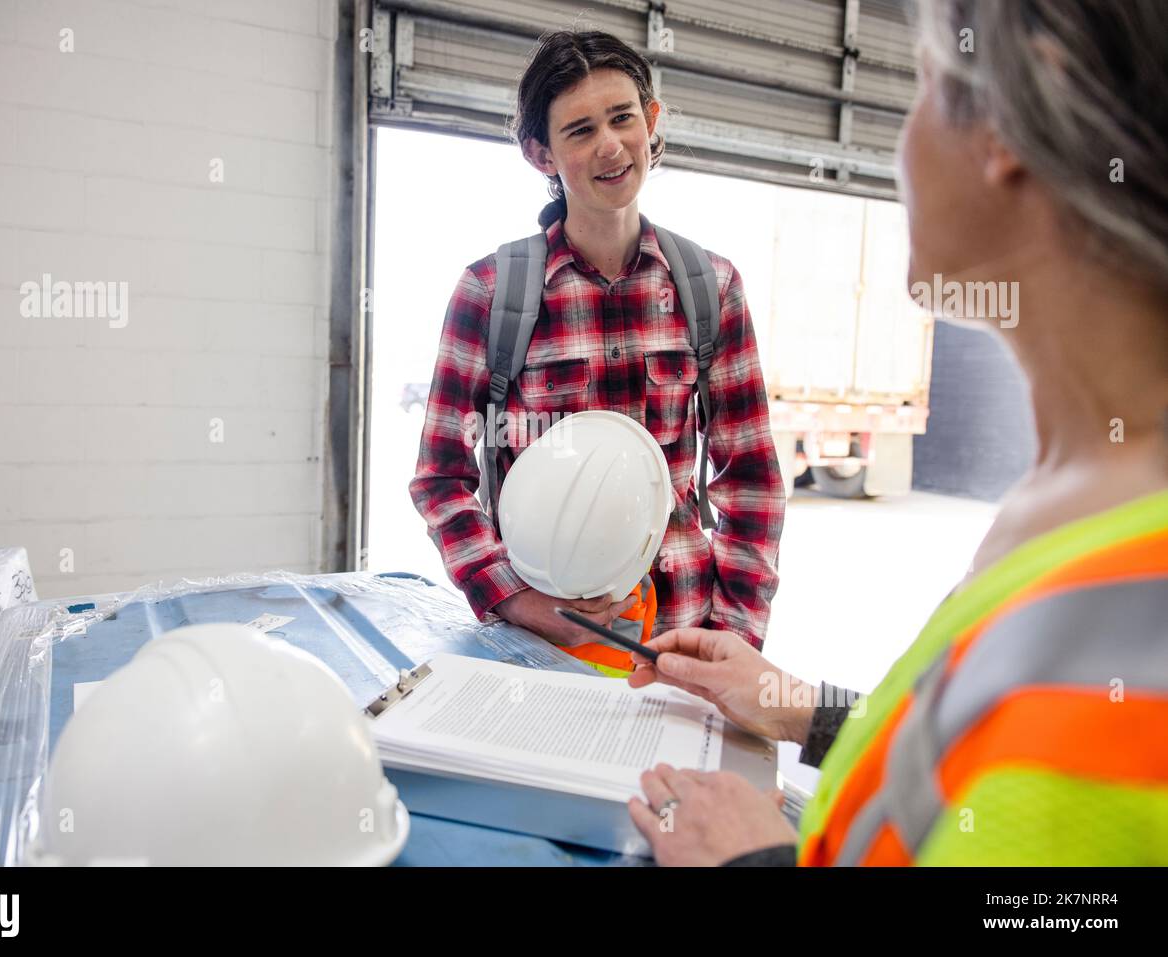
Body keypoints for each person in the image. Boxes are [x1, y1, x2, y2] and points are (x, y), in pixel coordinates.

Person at [627, 0, 1168, 866]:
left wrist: (755, 861)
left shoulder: (1129, 623)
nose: (899, 146)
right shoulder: (1070, 499)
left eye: (920, 87)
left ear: (1006, 123)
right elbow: (963, 774)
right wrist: (795, 704)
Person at [409, 30, 785, 666]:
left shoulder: (710, 287)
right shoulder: (492, 292)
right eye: (580, 130)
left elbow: (750, 480)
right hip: (540, 649)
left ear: (651, 121)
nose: (610, 146)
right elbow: (442, 474)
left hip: (681, 638)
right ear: (541, 154)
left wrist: (734, 638)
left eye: (622, 118)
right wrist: (511, 599)